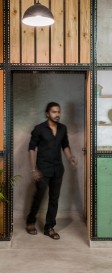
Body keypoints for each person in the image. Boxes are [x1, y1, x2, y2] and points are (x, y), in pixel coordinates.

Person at [26, 102, 77, 240]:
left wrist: (70, 157)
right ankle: (30, 221)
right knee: (39, 196)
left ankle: (49, 227)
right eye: (54, 112)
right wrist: (33, 169)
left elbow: (65, 145)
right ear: (47, 113)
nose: (57, 114)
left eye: (59, 112)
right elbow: (31, 149)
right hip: (42, 169)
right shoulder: (39, 129)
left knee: (54, 199)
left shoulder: (62, 129)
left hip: (57, 169)